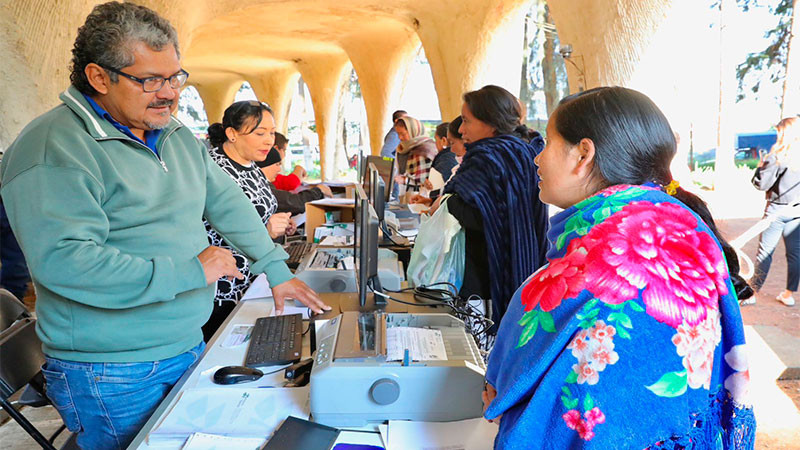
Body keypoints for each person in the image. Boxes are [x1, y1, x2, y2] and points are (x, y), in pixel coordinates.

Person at [0, 3, 328, 448]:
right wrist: (193, 272)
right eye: (150, 80)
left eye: (175, 77)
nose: (169, 94)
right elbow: (68, 262)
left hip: (185, 342)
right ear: (99, 77)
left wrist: (276, 268)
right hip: (112, 369)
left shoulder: (171, 133)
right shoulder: (52, 149)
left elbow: (225, 201)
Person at [483, 87, 755, 449]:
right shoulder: (686, 227)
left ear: (583, 154)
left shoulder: (591, 264)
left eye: (547, 143)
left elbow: (502, 393)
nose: (537, 158)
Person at [431, 86, 549, 330]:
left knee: (482, 347)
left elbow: (480, 217)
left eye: (466, 121)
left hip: (486, 277)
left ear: (491, 123)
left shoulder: (486, 156)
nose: (461, 129)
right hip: (522, 267)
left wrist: (448, 201)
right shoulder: (525, 150)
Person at [202, 101, 297, 340]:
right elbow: (213, 227)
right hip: (225, 287)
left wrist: (280, 223)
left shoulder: (252, 166)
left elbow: (260, 210)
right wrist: (265, 230)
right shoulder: (214, 170)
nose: (269, 141)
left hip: (254, 280)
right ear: (232, 134)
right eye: (260, 133)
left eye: (272, 133)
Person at [749, 116, 800, 307]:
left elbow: (762, 185)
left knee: (765, 253)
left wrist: (760, 168)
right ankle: (788, 294)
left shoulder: (777, 156)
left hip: (776, 211)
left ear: (784, 133)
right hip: (796, 211)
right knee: (795, 254)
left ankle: (752, 292)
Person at [258, 145, 333, 216]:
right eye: (277, 164)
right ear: (265, 165)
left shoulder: (262, 183)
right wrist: (318, 191)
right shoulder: (260, 186)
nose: (279, 169)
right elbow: (292, 203)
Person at [410, 119, 462, 206]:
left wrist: (432, 198)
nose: (452, 150)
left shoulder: (447, 159)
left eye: (453, 143)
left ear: (444, 141)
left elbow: (449, 195)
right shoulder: (448, 160)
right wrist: (430, 200)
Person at [393, 116, 438, 196]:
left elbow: (427, 181)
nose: (400, 137)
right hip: (406, 195)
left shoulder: (426, 149)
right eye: (398, 134)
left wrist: (405, 180)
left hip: (421, 199)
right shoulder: (403, 147)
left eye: (403, 134)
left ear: (413, 131)